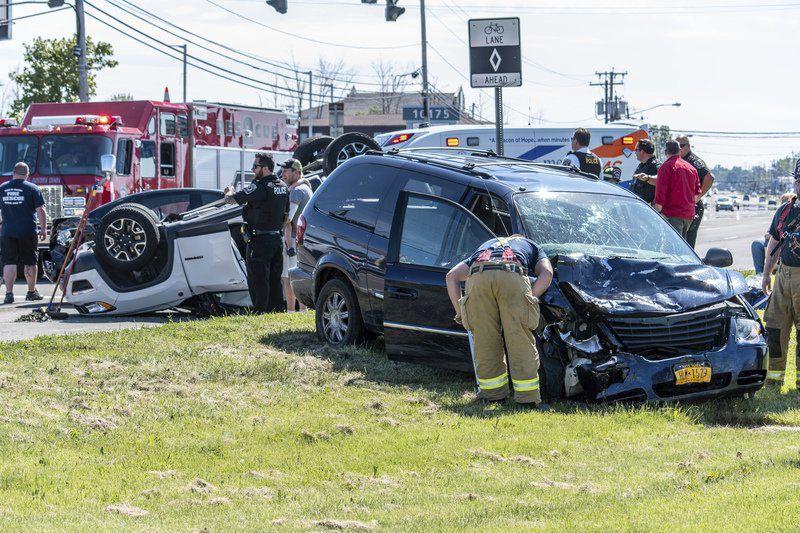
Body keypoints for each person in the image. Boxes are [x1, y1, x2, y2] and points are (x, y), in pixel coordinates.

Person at [446, 235, 553, 407]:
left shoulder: (485, 246)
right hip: (512, 274)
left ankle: (492, 396)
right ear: (521, 239)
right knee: (520, 340)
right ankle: (527, 400)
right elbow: (547, 273)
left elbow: (451, 276)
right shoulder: (532, 246)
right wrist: (530, 298)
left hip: (478, 277)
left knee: (485, 340)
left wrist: (461, 313)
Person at [224, 153, 289, 314]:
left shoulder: (260, 186)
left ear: (265, 168)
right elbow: (286, 216)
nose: (253, 170)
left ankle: (260, 312)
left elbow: (232, 199)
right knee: (274, 279)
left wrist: (228, 191)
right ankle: (276, 312)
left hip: (259, 239)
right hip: (276, 238)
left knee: (258, 278)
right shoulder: (282, 186)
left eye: (255, 167)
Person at [762, 164, 800, 382]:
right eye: (798, 179)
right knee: (775, 327)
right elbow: (774, 242)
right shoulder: (786, 209)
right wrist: (767, 274)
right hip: (783, 275)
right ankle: (774, 378)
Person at [0, 162, 47, 304]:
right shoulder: (32, 188)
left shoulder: (2, 188)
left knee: (9, 262)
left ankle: (9, 294)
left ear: (13, 172)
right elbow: (41, 210)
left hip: (7, 232)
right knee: (30, 261)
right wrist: (43, 228)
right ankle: (31, 292)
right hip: (28, 231)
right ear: (27, 174)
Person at [278, 158, 312, 313]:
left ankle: (291, 313)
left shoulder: (296, 192)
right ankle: (303, 311)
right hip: (302, 240)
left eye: (286, 171)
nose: (282, 174)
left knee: (287, 278)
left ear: (297, 172)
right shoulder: (306, 188)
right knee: (298, 276)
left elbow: (287, 219)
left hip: (291, 241)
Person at [654, 140, 700, 238]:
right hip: (688, 215)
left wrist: (657, 213)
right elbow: (697, 194)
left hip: (672, 215)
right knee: (682, 246)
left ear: (665, 152)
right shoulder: (691, 168)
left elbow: (660, 194)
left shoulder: (666, 167)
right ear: (679, 151)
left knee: (673, 248)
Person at [676, 135, 715, 248]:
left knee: (687, 242)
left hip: (693, 206)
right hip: (683, 206)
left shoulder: (693, 160)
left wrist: (697, 196)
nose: (679, 149)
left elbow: (709, 177)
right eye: (677, 146)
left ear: (688, 146)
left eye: (681, 146)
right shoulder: (680, 160)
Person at [752, 192, 795, 275]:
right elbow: (771, 231)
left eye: (786, 201)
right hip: (772, 241)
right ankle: (760, 273)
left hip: (787, 244)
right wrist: (769, 235)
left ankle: (775, 267)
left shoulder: (795, 213)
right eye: (782, 202)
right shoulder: (780, 213)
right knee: (756, 244)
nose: (783, 204)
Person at [631, 139, 660, 204]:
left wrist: (648, 178)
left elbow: (661, 179)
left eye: (636, 150)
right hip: (639, 205)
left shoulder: (656, 165)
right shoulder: (641, 165)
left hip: (649, 208)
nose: (635, 153)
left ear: (642, 151)